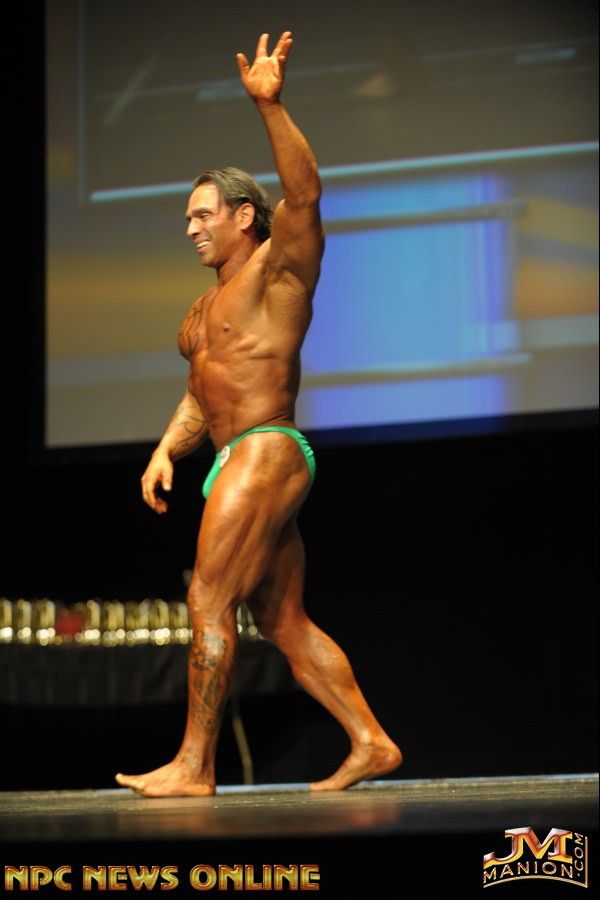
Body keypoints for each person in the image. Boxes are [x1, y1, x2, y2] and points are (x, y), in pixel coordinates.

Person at [116, 31, 401, 797]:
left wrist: (270, 107)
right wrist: (165, 450)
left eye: (202, 215)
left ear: (244, 215)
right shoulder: (202, 310)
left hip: (265, 449)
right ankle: (371, 741)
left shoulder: (279, 273)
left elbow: (304, 196)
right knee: (282, 622)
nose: (190, 228)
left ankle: (194, 766)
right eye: (187, 218)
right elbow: (199, 393)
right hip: (232, 458)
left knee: (207, 599)